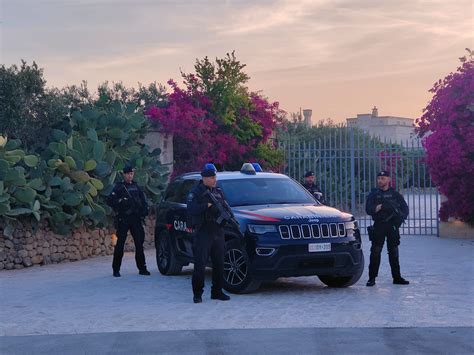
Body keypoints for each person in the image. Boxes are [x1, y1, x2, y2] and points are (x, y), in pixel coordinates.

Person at [186, 163, 231, 304]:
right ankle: (197, 294)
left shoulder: (218, 192)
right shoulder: (196, 192)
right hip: (203, 231)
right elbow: (191, 208)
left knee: (219, 263)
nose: (214, 179)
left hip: (217, 231)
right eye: (211, 177)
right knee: (200, 264)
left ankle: (217, 291)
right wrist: (206, 206)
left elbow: (226, 206)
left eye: (214, 177)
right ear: (204, 178)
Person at [365, 170, 409, 287]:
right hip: (379, 225)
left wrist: (398, 221)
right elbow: (368, 209)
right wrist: (377, 208)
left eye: (383, 178)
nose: (380, 180)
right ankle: (372, 278)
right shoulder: (374, 194)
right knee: (375, 252)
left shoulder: (395, 195)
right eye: (379, 178)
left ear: (389, 180)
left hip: (392, 226)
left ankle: (397, 277)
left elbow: (405, 209)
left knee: (394, 252)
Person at [107, 164, 150, 277]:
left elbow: (142, 201)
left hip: (136, 219)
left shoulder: (136, 187)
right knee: (120, 244)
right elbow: (110, 200)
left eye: (132, 174)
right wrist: (121, 201)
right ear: (124, 174)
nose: (130, 176)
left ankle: (142, 268)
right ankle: (116, 269)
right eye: (128, 174)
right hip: (124, 219)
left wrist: (144, 210)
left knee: (139, 244)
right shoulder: (119, 187)